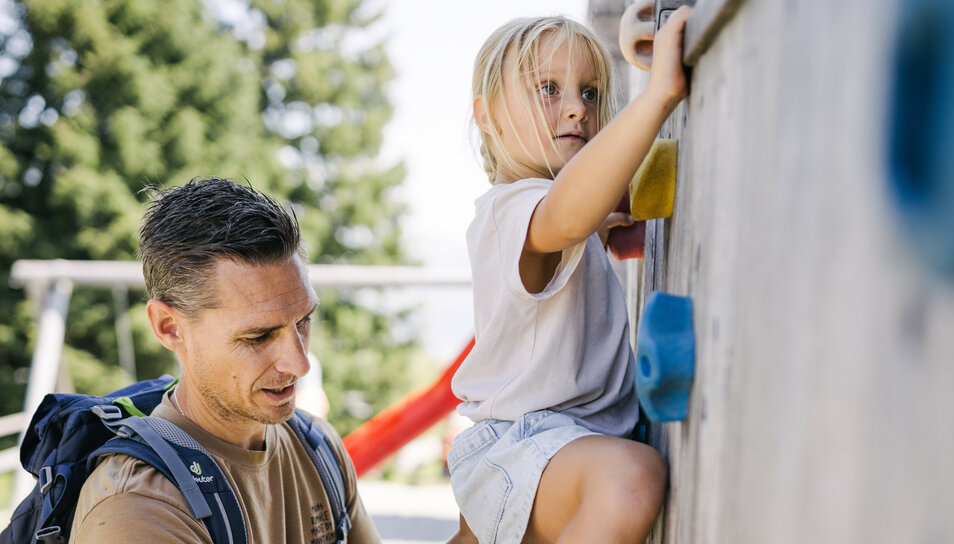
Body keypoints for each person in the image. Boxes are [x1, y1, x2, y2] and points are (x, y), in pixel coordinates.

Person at [447, 7, 692, 544]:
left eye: (589, 93)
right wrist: (656, 94)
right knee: (631, 479)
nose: (577, 110)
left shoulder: (568, 215)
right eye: (549, 89)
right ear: (488, 117)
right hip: (523, 442)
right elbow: (568, 214)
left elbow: (596, 213)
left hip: (555, 446)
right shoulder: (512, 210)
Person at [70, 178, 381, 543]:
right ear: (169, 328)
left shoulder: (319, 448)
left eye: (303, 322)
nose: (300, 363)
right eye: (258, 336)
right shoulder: (137, 508)